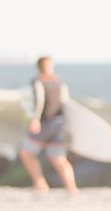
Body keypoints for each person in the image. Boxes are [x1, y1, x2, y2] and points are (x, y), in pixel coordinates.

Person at [20, 55, 79, 194]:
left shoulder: (38, 82)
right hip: (59, 124)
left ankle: (40, 184)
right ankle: (72, 188)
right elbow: (65, 103)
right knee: (58, 158)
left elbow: (39, 100)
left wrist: (34, 119)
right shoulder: (60, 82)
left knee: (26, 153)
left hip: (45, 124)